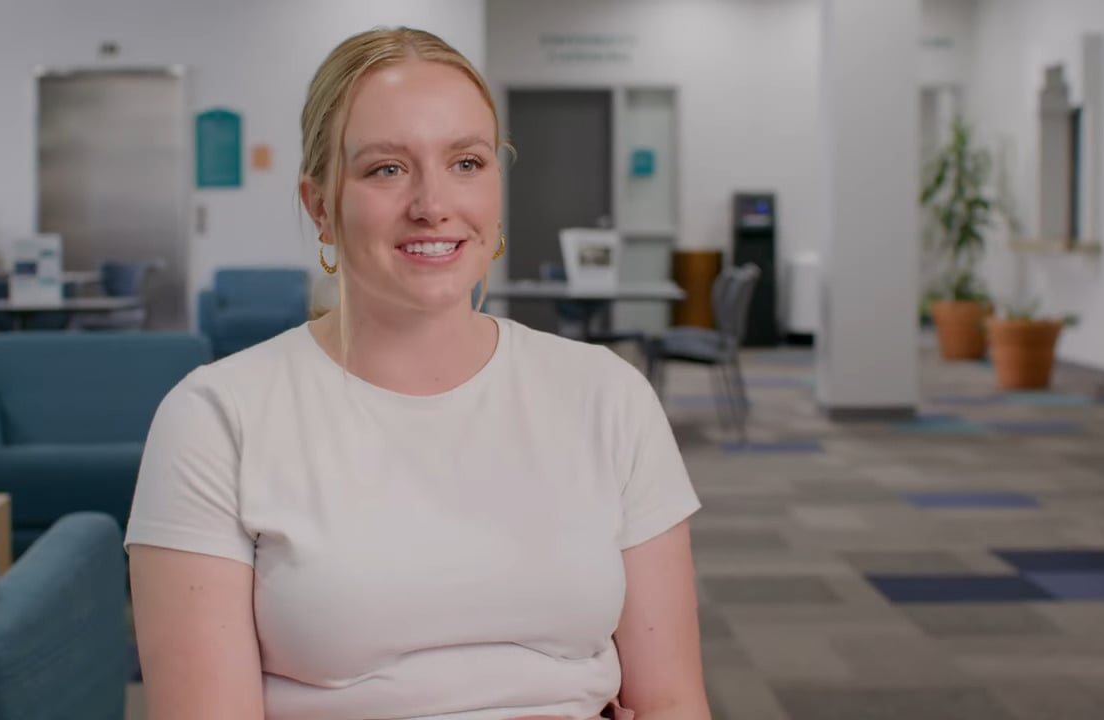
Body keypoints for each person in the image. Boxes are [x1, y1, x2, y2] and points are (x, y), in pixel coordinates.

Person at [126, 26, 711, 720]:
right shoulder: (216, 420)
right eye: (386, 169)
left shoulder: (609, 397)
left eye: (466, 162)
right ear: (320, 206)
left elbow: (673, 700)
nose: (434, 203)